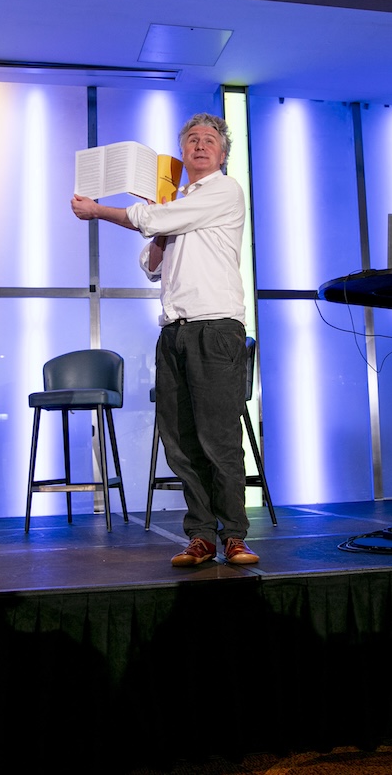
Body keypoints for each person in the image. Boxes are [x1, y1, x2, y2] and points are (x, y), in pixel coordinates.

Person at [70, 112, 257, 567]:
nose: (199, 145)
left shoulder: (223, 190)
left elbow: (148, 220)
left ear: (223, 153)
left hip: (215, 329)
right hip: (173, 331)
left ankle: (234, 535)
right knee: (181, 440)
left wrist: (98, 211)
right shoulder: (178, 199)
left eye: (208, 139)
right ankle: (201, 536)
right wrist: (160, 221)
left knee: (219, 438)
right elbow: (151, 263)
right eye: (191, 139)